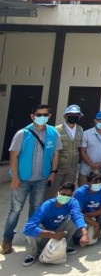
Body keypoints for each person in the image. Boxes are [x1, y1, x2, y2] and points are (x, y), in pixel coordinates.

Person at [2, 104, 62, 256]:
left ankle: (32, 237)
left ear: (49, 116)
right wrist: (15, 177)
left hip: (41, 178)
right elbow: (13, 156)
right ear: (32, 116)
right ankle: (7, 239)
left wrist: (53, 172)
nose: (41, 117)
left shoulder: (53, 133)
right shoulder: (22, 133)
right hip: (22, 178)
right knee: (15, 210)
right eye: (38, 114)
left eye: (45, 114)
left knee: (36, 209)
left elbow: (55, 154)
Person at [22, 182, 89, 267]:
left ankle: (64, 245)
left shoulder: (73, 202)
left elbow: (77, 216)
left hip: (60, 231)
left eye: (69, 195)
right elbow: (27, 229)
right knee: (30, 228)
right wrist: (52, 234)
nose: (65, 197)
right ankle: (34, 252)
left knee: (75, 219)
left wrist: (85, 233)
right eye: (63, 194)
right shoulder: (46, 205)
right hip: (45, 233)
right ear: (57, 193)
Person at [44, 105, 84, 200]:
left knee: (66, 195)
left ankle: (62, 214)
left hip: (72, 169)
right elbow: (50, 151)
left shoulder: (80, 130)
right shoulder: (56, 130)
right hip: (58, 168)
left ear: (79, 117)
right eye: (71, 114)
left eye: (76, 115)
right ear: (65, 116)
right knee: (50, 194)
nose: (73, 116)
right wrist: (51, 171)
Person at [73, 170, 101, 243]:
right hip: (83, 217)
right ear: (88, 183)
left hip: (94, 214)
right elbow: (79, 214)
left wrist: (89, 215)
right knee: (76, 225)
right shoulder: (79, 193)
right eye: (95, 182)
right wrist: (95, 224)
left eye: (99, 182)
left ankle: (96, 231)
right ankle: (78, 236)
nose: (97, 184)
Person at [78, 111, 101, 186]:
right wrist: (91, 164)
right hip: (86, 170)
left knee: (99, 192)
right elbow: (82, 151)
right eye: (100, 120)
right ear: (95, 120)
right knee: (84, 192)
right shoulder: (86, 133)